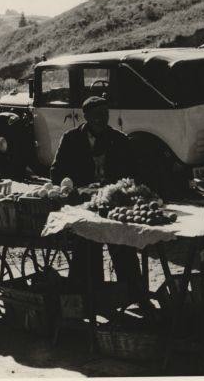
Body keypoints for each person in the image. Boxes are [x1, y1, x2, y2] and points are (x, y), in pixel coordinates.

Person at [51, 97, 149, 308]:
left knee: (123, 247)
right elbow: (56, 171)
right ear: (85, 117)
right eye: (96, 116)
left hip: (113, 206)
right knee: (86, 249)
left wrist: (122, 190)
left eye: (104, 115)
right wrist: (72, 187)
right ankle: (88, 298)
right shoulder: (71, 139)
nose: (100, 120)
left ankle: (134, 295)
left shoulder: (120, 140)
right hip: (83, 206)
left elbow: (134, 172)